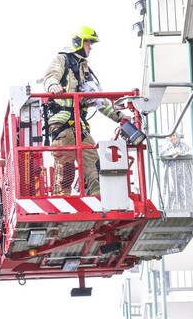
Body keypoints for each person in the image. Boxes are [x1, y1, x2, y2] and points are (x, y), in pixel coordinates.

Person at [43, 27, 129, 196]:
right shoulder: (62, 59)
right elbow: (50, 76)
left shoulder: (85, 69)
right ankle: (62, 203)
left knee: (93, 163)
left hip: (80, 125)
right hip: (62, 124)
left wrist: (119, 117)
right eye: (89, 42)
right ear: (79, 43)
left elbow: (97, 99)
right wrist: (53, 86)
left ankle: (98, 198)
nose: (91, 46)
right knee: (66, 169)